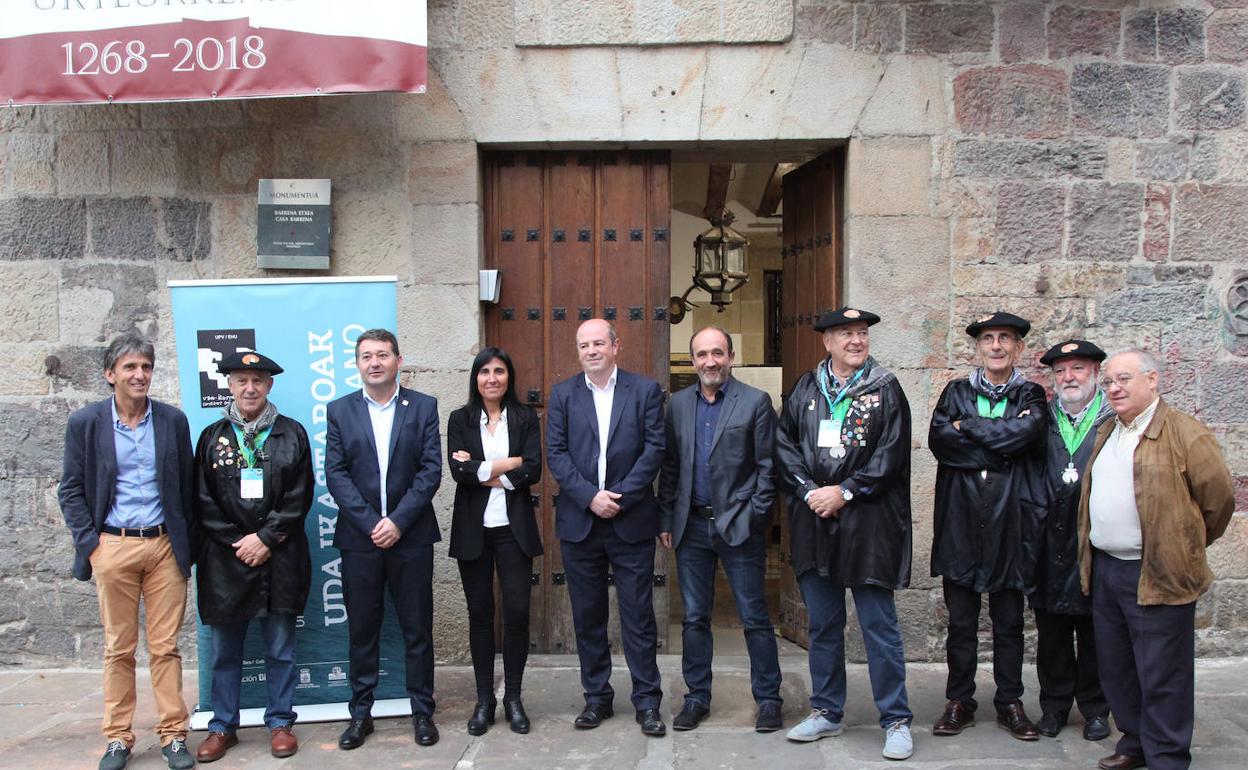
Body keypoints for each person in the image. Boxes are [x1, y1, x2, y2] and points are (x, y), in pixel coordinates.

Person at [1078, 349, 1234, 770]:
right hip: (1108, 568)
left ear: (1152, 380)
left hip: (1158, 571)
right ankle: (1135, 743)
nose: (1114, 388)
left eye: (1124, 379)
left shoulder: (1186, 433)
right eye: (1108, 381)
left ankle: (1167, 756)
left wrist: (1181, 544)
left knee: (1164, 673)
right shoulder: (1107, 430)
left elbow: (1218, 502)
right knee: (1118, 668)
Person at [775, 307, 915, 760]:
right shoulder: (805, 388)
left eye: (861, 333)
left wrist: (846, 492)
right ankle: (827, 711)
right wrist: (811, 491)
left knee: (879, 626)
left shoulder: (886, 389)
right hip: (814, 522)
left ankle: (895, 719)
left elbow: (891, 457)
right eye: (846, 334)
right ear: (827, 342)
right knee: (824, 625)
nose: (856, 340)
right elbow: (785, 447)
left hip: (869, 525)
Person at [58, 331, 198, 770]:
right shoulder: (87, 423)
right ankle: (118, 737)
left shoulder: (172, 420)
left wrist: (185, 546)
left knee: (165, 647)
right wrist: (91, 545)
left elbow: (188, 487)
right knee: (119, 648)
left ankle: (174, 735)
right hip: (113, 546)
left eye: (146, 367)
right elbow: (71, 489)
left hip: (163, 548)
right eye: (130, 368)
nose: (140, 375)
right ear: (110, 374)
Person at [658, 326, 783, 733]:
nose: (709, 361)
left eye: (717, 353)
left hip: (738, 527)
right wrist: (666, 520)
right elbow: (671, 468)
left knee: (754, 617)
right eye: (701, 355)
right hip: (691, 526)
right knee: (695, 618)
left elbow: (769, 469)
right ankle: (697, 698)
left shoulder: (755, 403)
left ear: (731, 356)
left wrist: (754, 518)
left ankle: (768, 700)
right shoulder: (676, 405)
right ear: (693, 361)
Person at [546, 318, 667, 737]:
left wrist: (618, 495)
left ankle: (647, 702)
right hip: (581, 522)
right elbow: (556, 454)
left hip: (630, 519)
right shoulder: (562, 394)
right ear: (578, 351)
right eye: (584, 345)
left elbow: (654, 449)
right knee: (588, 616)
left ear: (617, 346)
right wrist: (589, 497)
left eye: (599, 343)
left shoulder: (645, 391)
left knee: (638, 616)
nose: (592, 350)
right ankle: (596, 698)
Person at [929, 312, 1046, 742]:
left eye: (1005, 339)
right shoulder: (955, 392)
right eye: (989, 339)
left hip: (1010, 526)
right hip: (960, 523)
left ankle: (1010, 701)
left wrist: (970, 428)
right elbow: (942, 443)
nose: (996, 346)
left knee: (1009, 622)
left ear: (1017, 348)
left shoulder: (1031, 393)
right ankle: (959, 699)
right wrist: (1000, 444)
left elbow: (1028, 436)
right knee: (960, 623)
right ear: (977, 347)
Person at [192, 351, 314, 763]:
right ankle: (222, 726)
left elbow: (300, 497)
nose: (249, 388)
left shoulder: (292, 434)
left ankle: (280, 722)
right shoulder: (211, 437)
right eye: (241, 380)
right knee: (226, 653)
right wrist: (240, 542)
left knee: (281, 648)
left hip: (278, 558)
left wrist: (264, 538)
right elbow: (202, 501)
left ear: (269, 385)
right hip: (226, 562)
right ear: (229, 385)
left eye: (257, 381)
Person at [326, 329, 443, 749]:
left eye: (382, 355)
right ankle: (360, 715)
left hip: (410, 538)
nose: (374, 362)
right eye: (366, 356)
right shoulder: (339, 410)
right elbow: (335, 474)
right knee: (362, 630)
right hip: (360, 541)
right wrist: (370, 522)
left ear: (398, 360)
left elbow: (431, 471)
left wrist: (397, 521)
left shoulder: (423, 407)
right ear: (357, 364)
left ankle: (423, 713)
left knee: (417, 630)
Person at [447, 348, 544, 736]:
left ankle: (514, 698)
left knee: (517, 613)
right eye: (484, 371)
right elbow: (458, 472)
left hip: (513, 530)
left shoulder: (524, 418)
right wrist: (509, 463)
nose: (492, 378)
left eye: (499, 371)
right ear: (475, 377)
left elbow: (534, 468)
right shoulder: (460, 419)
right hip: (474, 531)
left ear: (509, 376)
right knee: (480, 615)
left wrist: (482, 468)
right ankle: (484, 699)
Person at [1030, 340, 1113, 742]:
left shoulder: (1113, 421)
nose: (1069, 378)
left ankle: (1096, 709)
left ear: (1095, 372)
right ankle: (1054, 706)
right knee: (1052, 632)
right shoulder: (1041, 419)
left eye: (1078, 369)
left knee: (1096, 632)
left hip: (1095, 544)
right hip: (1048, 543)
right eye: (1061, 371)